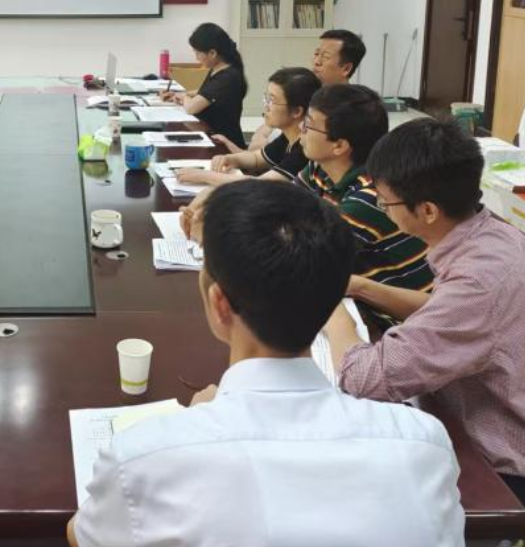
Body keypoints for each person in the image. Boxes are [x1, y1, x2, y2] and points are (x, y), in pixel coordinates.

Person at [67, 182, 465, 547]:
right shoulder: (424, 444)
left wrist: (195, 422)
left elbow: (83, 535)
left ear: (219, 304)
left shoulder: (144, 457)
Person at [324, 119, 525, 547]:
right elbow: (446, 312)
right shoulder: (491, 234)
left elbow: (364, 378)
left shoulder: (480, 282)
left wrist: (333, 314)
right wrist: (362, 288)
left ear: (427, 211)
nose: (383, 208)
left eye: (387, 202)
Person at [298, 84, 434, 327]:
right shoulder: (320, 169)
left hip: (404, 321)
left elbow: (303, 260)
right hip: (364, 303)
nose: (301, 129)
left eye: (308, 124)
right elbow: (278, 205)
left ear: (339, 146)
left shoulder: (370, 198)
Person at [177, 67, 319, 188]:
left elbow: (260, 185)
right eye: (266, 98)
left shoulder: (305, 148)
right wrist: (230, 159)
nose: (266, 106)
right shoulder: (287, 137)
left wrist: (204, 176)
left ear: (296, 111)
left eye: (272, 100)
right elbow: (256, 158)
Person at [236, 28, 366, 154]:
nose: (317, 61)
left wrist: (263, 147)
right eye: (316, 54)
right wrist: (260, 140)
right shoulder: (306, 87)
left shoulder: (348, 110)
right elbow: (268, 126)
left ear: (346, 69)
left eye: (326, 57)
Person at [161, 22, 247, 149]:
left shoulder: (228, 77)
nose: (196, 58)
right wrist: (179, 95)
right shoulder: (218, 69)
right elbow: (206, 91)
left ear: (212, 53)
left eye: (197, 53)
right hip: (210, 135)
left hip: (224, 144)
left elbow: (191, 108)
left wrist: (185, 98)